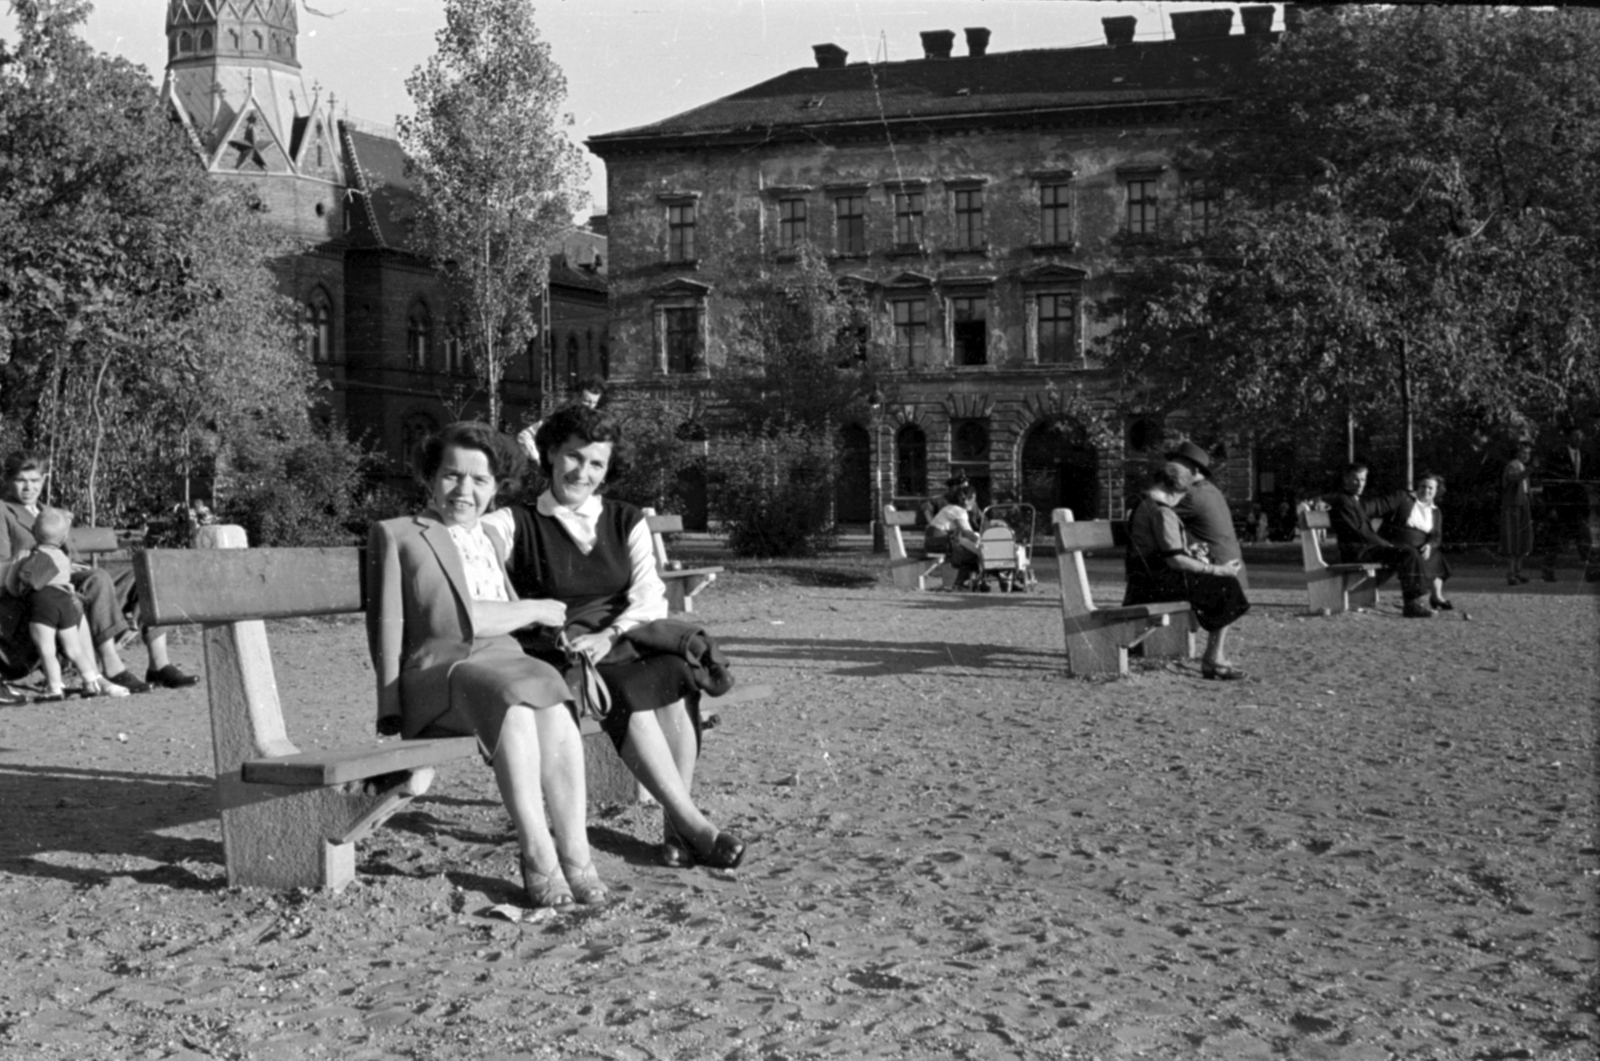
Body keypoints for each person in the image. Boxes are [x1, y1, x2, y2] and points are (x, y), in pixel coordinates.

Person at [486, 405, 748, 872]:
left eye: (595, 464)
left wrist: (609, 635)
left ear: (608, 470)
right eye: (572, 457)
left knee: (674, 674)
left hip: (620, 638)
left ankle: (676, 828)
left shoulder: (625, 519)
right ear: (549, 454)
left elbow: (650, 596)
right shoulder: (513, 523)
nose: (581, 472)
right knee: (625, 689)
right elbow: (470, 545)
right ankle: (696, 827)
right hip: (559, 649)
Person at [367, 421, 606, 909]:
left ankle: (577, 853)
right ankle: (538, 853)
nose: (464, 490)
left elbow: (505, 621)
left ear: (496, 488)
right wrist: (389, 705)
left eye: (480, 481)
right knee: (513, 702)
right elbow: (414, 624)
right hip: (441, 670)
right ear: (430, 479)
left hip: (505, 664)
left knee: (556, 699)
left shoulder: (492, 541)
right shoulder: (399, 535)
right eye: (453, 476)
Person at [0, 452, 199, 691]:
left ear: (44, 479)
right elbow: (4, 565)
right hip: (35, 587)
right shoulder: (3, 511)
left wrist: (71, 564)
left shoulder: (49, 511)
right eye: (22, 480)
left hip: (67, 577)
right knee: (97, 578)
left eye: (35, 480)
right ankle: (112, 667)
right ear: (8, 480)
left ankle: (159, 665)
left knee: (144, 577)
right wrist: (47, 563)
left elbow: (69, 554)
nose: (29, 487)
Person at [1124, 459, 1251, 680]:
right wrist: (1217, 569)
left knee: (1222, 586)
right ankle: (1214, 659)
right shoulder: (1162, 512)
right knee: (1227, 586)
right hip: (1153, 585)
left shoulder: (1143, 503)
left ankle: (1214, 658)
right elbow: (1176, 561)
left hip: (1143, 580)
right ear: (1175, 490)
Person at [3, 507, 128, 700]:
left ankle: (54, 688)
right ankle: (91, 682)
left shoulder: (28, 556)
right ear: (63, 539)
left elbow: (12, 585)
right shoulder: (63, 558)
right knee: (74, 649)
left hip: (43, 607)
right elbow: (66, 582)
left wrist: (18, 589)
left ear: (34, 532)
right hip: (66, 604)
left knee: (47, 651)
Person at [1321, 461, 1431, 617]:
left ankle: (1413, 602)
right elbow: (1359, 532)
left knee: (1407, 553)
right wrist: (1385, 544)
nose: (1360, 484)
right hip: (1357, 551)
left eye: (1363, 479)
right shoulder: (1343, 500)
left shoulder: (1352, 499)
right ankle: (1413, 604)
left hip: (1364, 548)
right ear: (1345, 479)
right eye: (1355, 479)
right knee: (1408, 554)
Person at [1169, 441, 1247, 591]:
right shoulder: (1211, 491)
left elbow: (1153, 515)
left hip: (1218, 575)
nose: (1171, 474)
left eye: (1177, 469)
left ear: (1194, 470)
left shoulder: (1191, 496)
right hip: (1231, 572)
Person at [1383, 471, 1453, 611]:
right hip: (1400, 544)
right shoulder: (1406, 500)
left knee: (1436, 556)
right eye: (1423, 486)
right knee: (1412, 557)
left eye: (1430, 488)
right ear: (1417, 487)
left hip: (1420, 547)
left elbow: (1436, 536)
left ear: (1436, 491)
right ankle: (1413, 603)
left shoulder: (1435, 511)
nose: (1426, 490)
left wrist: (1429, 546)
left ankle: (1436, 597)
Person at [1538, 425, 1591, 582]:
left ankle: (1592, 571)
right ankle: (1547, 571)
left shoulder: (1586, 456)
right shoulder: (1557, 455)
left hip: (1579, 505)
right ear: (1568, 437)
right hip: (1561, 504)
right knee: (1555, 540)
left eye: (1580, 436)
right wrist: (1551, 506)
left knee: (1584, 539)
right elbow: (1549, 483)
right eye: (1575, 436)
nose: (1578, 439)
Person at [514, 376, 605, 466]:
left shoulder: (596, 423)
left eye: (594, 403)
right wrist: (537, 460)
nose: (591, 407)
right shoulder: (560, 417)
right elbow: (525, 436)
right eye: (587, 401)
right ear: (576, 397)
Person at [924, 483, 983, 590]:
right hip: (938, 541)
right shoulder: (958, 511)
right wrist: (982, 541)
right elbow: (967, 532)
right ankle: (960, 583)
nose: (974, 503)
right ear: (965, 499)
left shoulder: (951, 508)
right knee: (972, 555)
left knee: (970, 552)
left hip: (935, 540)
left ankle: (962, 583)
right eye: (973, 499)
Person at [1500, 440, 1536, 586]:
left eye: (1528, 453)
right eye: (1523, 452)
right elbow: (1515, 478)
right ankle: (1511, 573)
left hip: (1523, 506)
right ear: (1517, 453)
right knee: (1513, 541)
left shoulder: (1522, 467)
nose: (1526, 455)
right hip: (1513, 508)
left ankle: (1517, 572)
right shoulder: (1513, 465)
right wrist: (1529, 470)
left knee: (1523, 541)